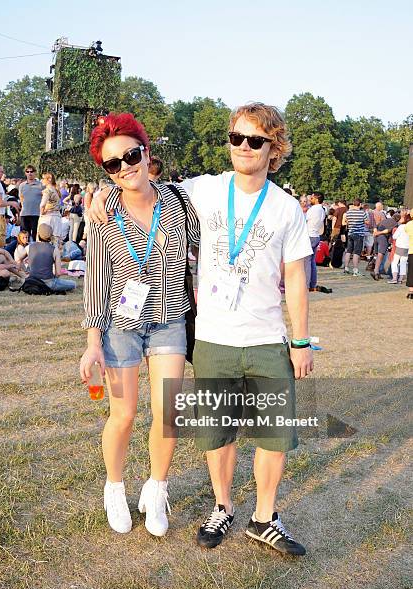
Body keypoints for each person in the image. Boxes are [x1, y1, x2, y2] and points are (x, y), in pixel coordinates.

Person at [90, 102, 313, 556]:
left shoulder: (278, 207)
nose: (244, 147)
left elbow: (295, 277)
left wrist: (302, 339)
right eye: (237, 138)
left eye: (256, 140)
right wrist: (99, 193)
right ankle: (210, 504)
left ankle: (256, 515)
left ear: (274, 149)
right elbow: (133, 195)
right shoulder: (200, 191)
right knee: (205, 429)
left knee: (258, 430)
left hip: (242, 332)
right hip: (187, 334)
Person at [80, 113, 200, 538]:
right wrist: (93, 343)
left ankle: (156, 488)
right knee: (124, 414)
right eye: (112, 164)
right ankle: (115, 487)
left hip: (169, 320)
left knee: (167, 414)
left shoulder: (180, 202)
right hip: (121, 327)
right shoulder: (102, 213)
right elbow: (97, 281)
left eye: (130, 155)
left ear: (146, 154)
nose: (124, 167)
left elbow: (209, 246)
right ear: (106, 172)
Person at [27, 223, 76, 292]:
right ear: (51, 235)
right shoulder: (54, 249)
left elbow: (19, 258)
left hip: (32, 281)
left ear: (38, 234)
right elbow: (58, 273)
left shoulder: (30, 246)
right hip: (48, 282)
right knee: (73, 284)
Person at [304, 192, 325, 290]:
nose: (310, 199)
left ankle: (306, 285)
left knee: (306, 262)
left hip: (309, 235)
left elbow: (304, 220)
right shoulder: (322, 209)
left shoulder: (313, 209)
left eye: (312, 198)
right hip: (316, 235)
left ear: (316, 199)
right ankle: (312, 284)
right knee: (312, 262)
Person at [342, 199, 368, 276]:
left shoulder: (348, 212)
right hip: (359, 234)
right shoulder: (362, 213)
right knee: (356, 252)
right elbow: (367, 222)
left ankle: (346, 268)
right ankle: (355, 270)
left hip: (350, 233)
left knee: (348, 251)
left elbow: (345, 222)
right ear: (360, 204)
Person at [19, 165, 44, 242]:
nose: (29, 173)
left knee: (35, 234)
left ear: (35, 173)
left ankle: (34, 251)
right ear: (25, 173)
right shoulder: (22, 185)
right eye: (27, 171)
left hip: (36, 214)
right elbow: (21, 198)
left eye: (31, 171)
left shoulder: (41, 185)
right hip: (25, 214)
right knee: (24, 236)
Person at [38, 173, 62, 245]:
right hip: (56, 217)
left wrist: (42, 212)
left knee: (43, 238)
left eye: (43, 178)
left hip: (48, 217)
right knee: (55, 241)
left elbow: (42, 204)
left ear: (49, 180)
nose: (42, 180)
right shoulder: (55, 190)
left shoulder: (48, 190)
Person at [388, 213, 409, 284]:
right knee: (403, 263)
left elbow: (394, 236)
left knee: (394, 262)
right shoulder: (411, 227)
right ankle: (400, 279)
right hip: (407, 247)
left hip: (399, 246)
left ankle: (394, 278)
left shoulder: (401, 227)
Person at [404, 208, 413, 299]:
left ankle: (411, 291)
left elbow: (406, 231)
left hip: (412, 250)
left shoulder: (409, 225)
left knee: (411, 271)